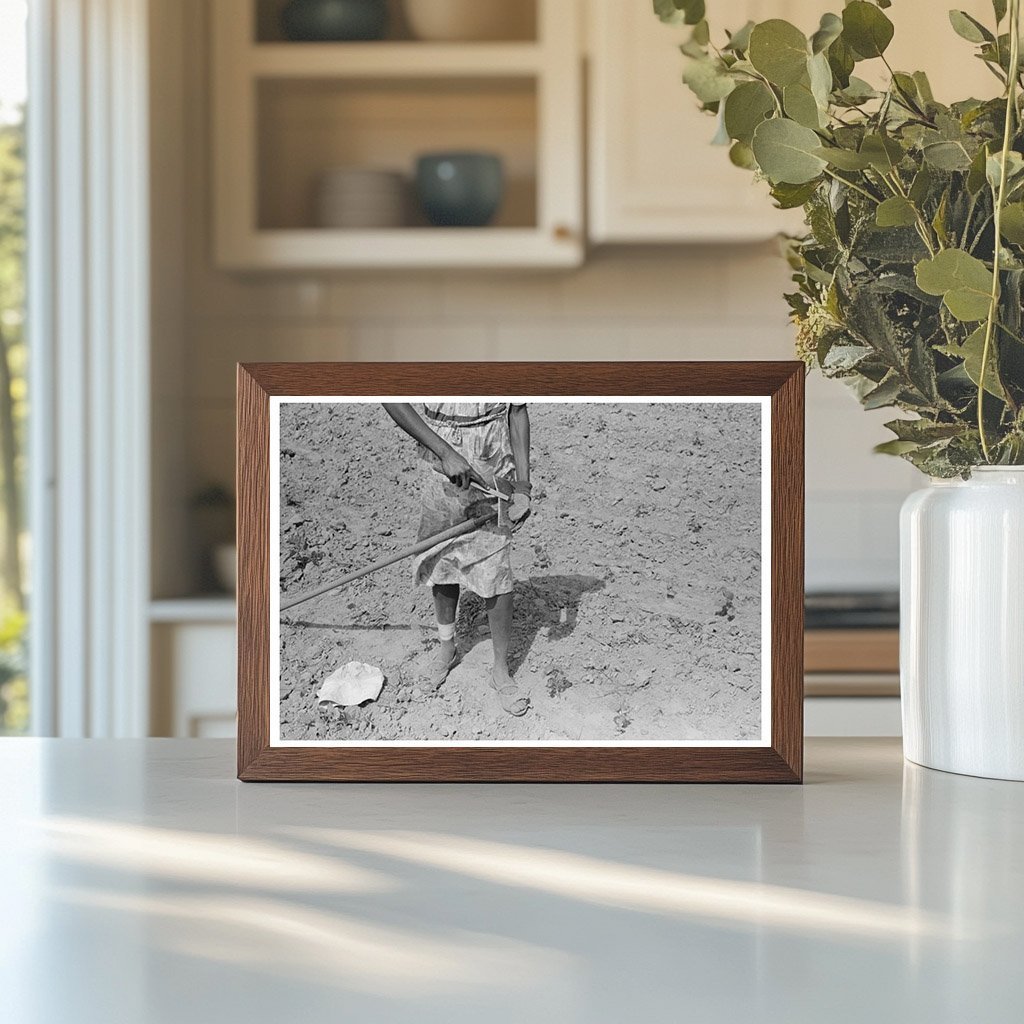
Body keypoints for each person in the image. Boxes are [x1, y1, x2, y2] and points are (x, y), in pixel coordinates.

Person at [383, 402, 532, 716]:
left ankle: (500, 668)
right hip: (441, 457)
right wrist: (445, 452)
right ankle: (446, 649)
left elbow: (517, 412)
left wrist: (523, 485)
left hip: (492, 460)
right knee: (443, 558)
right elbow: (389, 396)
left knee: (495, 565)